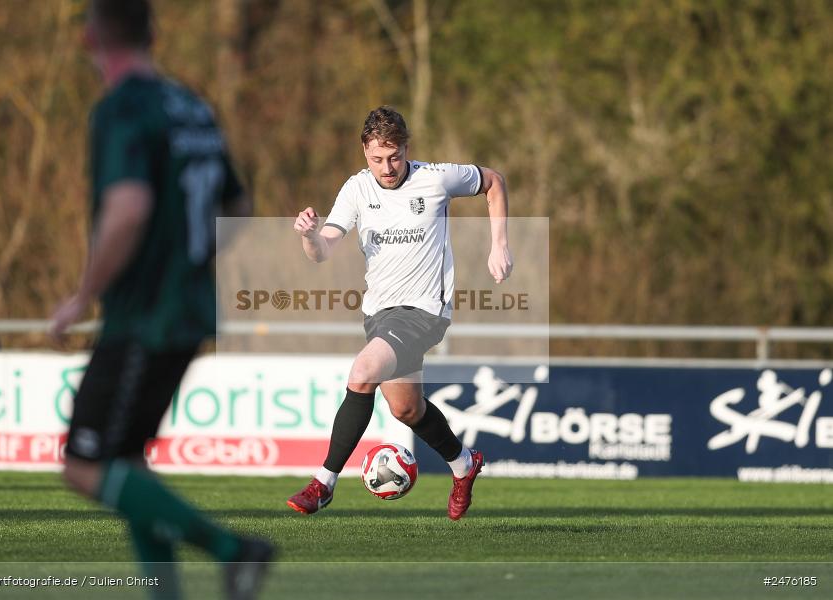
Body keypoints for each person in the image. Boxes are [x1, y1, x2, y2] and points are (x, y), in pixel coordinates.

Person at [49, 1, 271, 598]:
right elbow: (239, 207)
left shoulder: (123, 109)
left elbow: (127, 210)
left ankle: (233, 548)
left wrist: (81, 296)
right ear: (153, 31)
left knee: (85, 466)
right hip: (188, 309)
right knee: (127, 464)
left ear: (91, 35)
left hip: (143, 317)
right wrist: (190, 259)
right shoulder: (192, 107)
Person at [288, 106, 512, 520]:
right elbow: (324, 251)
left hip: (425, 311)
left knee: (362, 372)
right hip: (379, 314)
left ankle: (323, 484)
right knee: (407, 409)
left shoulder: (436, 177)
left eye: (394, 156)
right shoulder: (355, 190)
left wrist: (498, 244)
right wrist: (310, 236)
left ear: (406, 148)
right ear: (364, 152)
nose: (387, 167)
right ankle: (464, 465)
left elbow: (493, 181)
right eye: (377, 159)